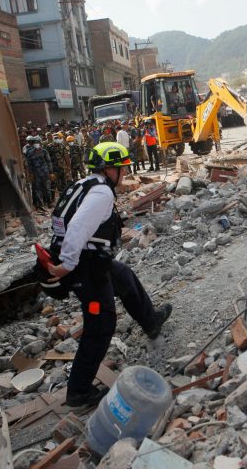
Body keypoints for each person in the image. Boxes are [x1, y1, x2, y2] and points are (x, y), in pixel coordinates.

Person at [46, 142, 172, 407]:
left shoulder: (82, 184)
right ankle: (78, 392)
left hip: (89, 259)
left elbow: (63, 223)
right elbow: (78, 227)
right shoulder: (101, 193)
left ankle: (151, 321)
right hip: (85, 265)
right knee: (101, 325)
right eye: (122, 169)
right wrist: (68, 263)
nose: (124, 173)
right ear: (109, 169)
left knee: (123, 276)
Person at [25, 135, 53, 208]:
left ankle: (49, 202)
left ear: (40, 143)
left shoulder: (44, 151)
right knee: (38, 189)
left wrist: (51, 172)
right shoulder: (30, 153)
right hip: (36, 174)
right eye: (35, 143)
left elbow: (49, 161)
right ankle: (40, 204)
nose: (37, 144)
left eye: (38, 143)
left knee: (47, 188)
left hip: (45, 173)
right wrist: (30, 174)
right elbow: (29, 164)